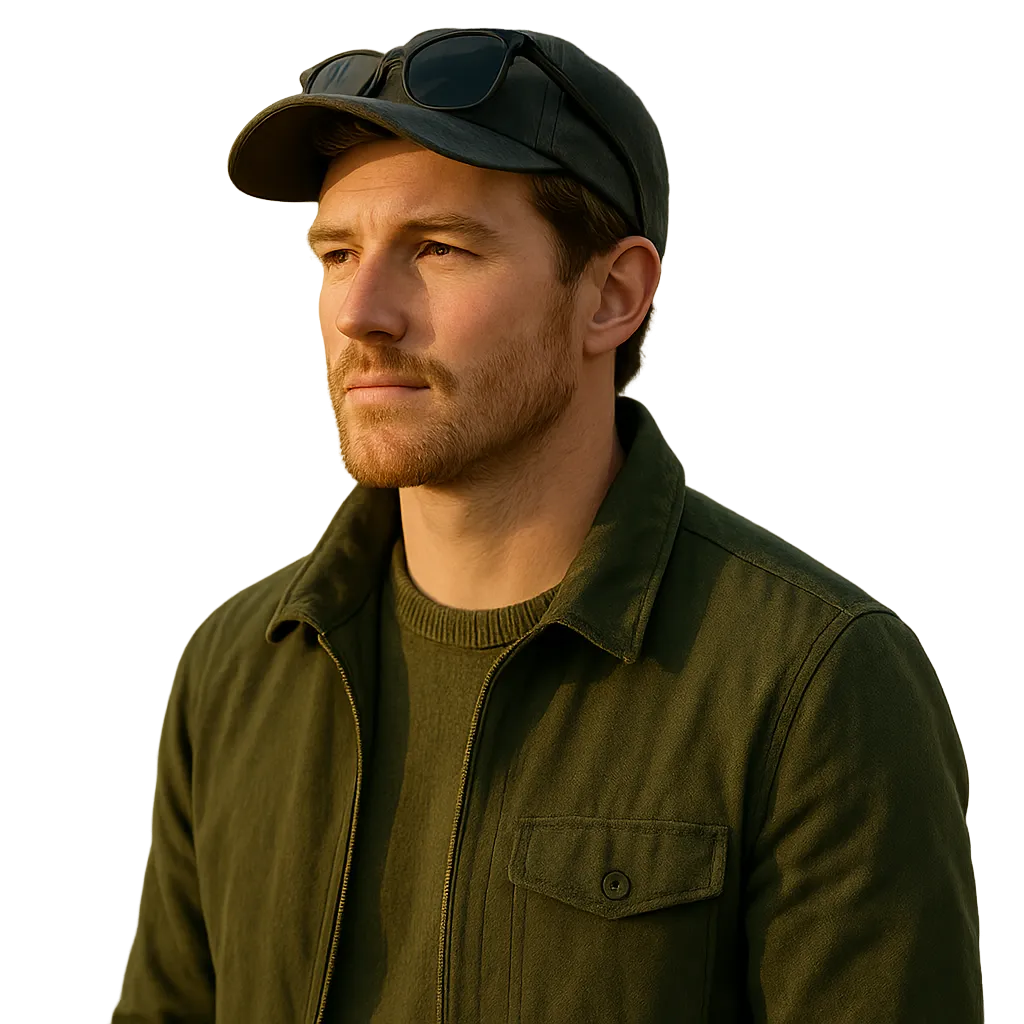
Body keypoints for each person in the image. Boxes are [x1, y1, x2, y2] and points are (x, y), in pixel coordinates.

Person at [111, 25, 982, 1024]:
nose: (361, 311)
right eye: (338, 253)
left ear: (613, 296)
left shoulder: (809, 679)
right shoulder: (240, 669)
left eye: (437, 248)